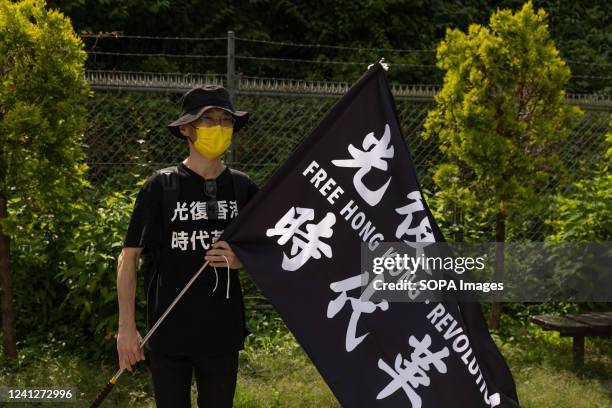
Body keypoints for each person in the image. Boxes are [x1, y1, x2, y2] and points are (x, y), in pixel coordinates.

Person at [116, 85, 259, 407]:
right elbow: (128, 259)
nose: (220, 128)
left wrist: (241, 260)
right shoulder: (161, 186)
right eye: (209, 121)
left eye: (226, 121)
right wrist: (127, 329)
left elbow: (273, 247)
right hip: (168, 334)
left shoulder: (242, 187)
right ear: (186, 128)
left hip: (222, 334)